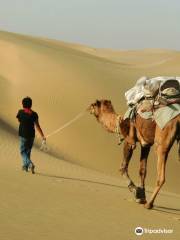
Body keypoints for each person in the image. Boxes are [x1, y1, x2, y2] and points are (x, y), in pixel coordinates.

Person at [16, 97, 46, 174]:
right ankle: (25, 167)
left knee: (23, 152)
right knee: (28, 151)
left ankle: (29, 164)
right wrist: (43, 136)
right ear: (31, 104)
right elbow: (37, 126)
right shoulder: (34, 114)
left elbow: (19, 120)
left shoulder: (20, 112)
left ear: (23, 104)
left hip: (23, 135)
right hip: (31, 136)